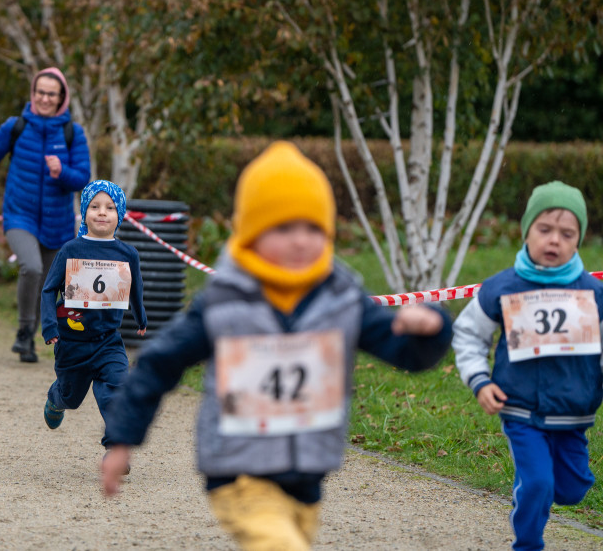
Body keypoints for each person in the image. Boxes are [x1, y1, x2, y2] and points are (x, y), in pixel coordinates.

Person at [99, 142, 453, 551]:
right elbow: (158, 364)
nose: (301, 241)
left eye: (313, 228)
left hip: (307, 476)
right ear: (251, 233)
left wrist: (431, 329)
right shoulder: (225, 302)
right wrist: (122, 437)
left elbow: (406, 353)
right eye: (284, 229)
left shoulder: (341, 299)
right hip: (238, 472)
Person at [452, 181, 603, 551]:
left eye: (567, 234)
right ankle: (528, 543)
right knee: (537, 483)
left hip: (574, 412)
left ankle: (552, 489)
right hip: (519, 408)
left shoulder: (593, 294)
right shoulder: (501, 288)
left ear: (578, 241)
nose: (554, 240)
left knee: (570, 491)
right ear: (526, 232)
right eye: (544, 229)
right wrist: (479, 380)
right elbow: (468, 335)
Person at [0, 67, 91, 363]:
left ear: (61, 98)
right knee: (31, 268)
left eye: (51, 94)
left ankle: (30, 339)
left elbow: (83, 179)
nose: (45, 99)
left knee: (48, 283)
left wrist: (62, 172)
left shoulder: (73, 132)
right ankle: (24, 331)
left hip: (58, 222)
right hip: (19, 216)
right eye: (40, 93)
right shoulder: (16, 126)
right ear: (33, 94)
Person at [40, 180, 147, 455]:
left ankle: (116, 447)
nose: (102, 212)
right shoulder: (71, 250)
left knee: (117, 389)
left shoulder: (127, 254)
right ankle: (56, 398)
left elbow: (135, 287)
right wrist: (50, 325)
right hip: (72, 342)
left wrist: (141, 316)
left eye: (110, 208)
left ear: (119, 214)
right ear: (85, 212)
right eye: (95, 206)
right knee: (71, 398)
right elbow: (49, 289)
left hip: (108, 341)